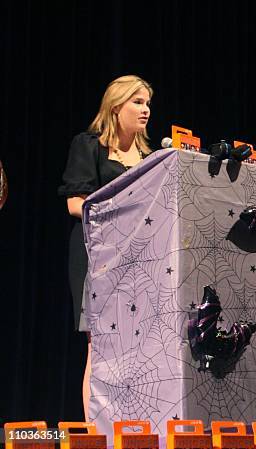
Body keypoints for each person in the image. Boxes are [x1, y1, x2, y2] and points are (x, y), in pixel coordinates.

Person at [57, 75, 153, 420]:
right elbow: (74, 204)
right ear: (116, 106)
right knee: (100, 348)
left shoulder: (149, 156)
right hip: (97, 256)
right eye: (137, 102)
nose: (145, 111)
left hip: (139, 258)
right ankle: (97, 431)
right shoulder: (89, 145)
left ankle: (135, 425)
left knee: (139, 346)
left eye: (147, 104)